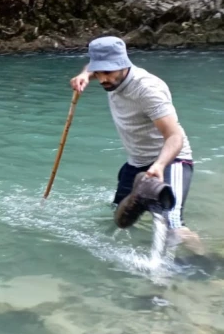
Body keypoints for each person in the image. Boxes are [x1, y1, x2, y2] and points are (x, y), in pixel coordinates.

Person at [69, 36, 203, 254]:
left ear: (124, 63)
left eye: (108, 72)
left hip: (171, 160)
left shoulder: (147, 89)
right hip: (137, 162)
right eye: (99, 72)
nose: (103, 79)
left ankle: (204, 264)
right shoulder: (107, 75)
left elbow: (174, 136)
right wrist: (85, 74)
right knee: (118, 215)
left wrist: (159, 166)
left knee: (174, 225)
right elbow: (95, 67)